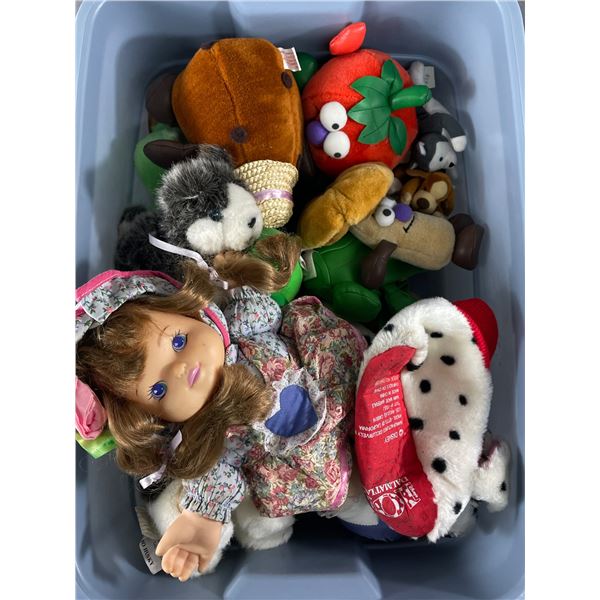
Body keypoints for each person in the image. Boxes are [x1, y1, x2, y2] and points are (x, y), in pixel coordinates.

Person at [75, 240, 368, 581]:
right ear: (153, 417)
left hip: (343, 376)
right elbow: (217, 479)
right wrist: (201, 521)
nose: (180, 369)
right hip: (319, 463)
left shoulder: (243, 326)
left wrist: (237, 277)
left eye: (178, 341)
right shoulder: (208, 437)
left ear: (187, 312)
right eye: (159, 389)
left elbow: (267, 310)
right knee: (355, 497)